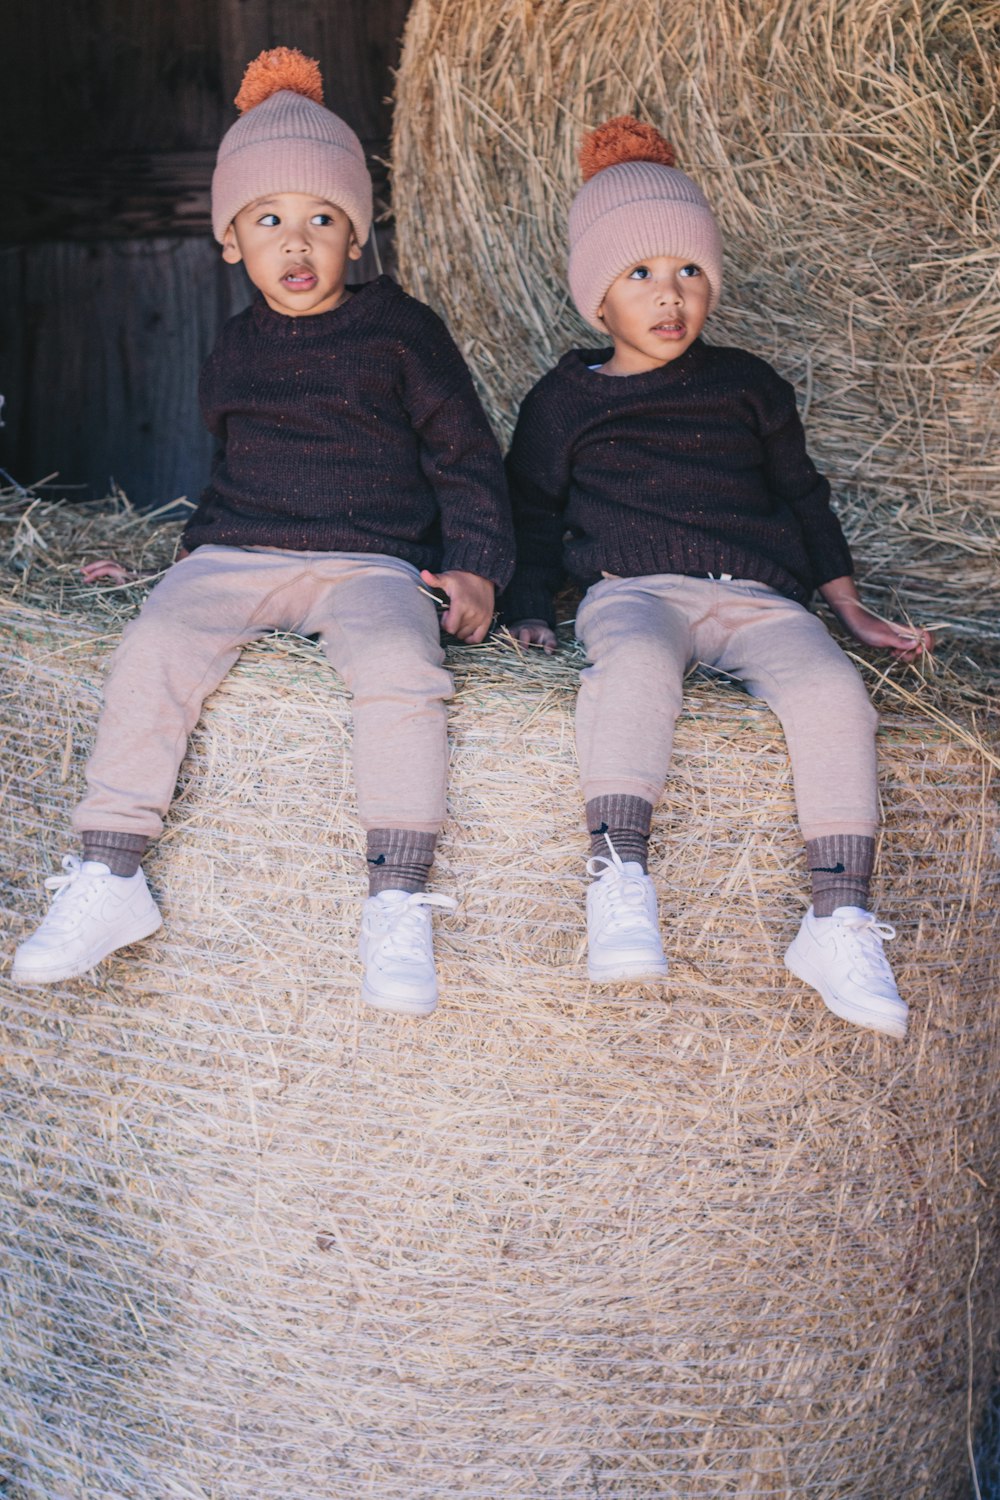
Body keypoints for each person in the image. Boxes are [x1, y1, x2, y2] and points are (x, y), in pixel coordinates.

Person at [12, 48, 514, 1017]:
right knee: (157, 644)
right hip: (240, 552)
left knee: (400, 671)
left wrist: (479, 569)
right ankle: (110, 868)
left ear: (356, 237)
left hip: (369, 560)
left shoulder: (402, 333)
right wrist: (180, 559)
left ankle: (397, 896)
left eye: (323, 219)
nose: (297, 241)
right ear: (232, 240)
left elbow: (466, 454)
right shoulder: (235, 345)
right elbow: (235, 469)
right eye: (269, 219)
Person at [503, 116, 932, 1039]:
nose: (671, 296)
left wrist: (850, 609)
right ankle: (618, 877)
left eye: (690, 272)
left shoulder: (748, 383)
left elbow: (804, 498)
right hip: (634, 590)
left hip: (759, 600)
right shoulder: (564, 400)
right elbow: (530, 515)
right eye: (642, 275)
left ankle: (838, 915)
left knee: (833, 696)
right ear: (597, 301)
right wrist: (530, 609)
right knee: (635, 671)